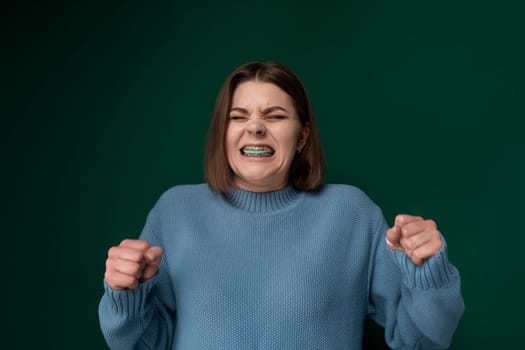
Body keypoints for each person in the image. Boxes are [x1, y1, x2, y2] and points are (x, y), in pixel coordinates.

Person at [99, 61, 464, 349]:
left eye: (274, 116)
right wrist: (123, 294)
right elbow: (142, 344)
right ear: (222, 133)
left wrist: (428, 274)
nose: (255, 128)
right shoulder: (175, 211)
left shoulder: (352, 213)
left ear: (302, 134)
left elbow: (419, 341)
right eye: (238, 116)